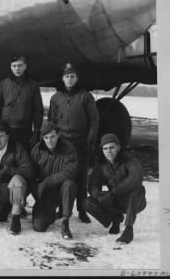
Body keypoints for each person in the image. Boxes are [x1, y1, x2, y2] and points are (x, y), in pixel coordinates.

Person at [48, 62, 99, 223]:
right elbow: (51, 121)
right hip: (62, 141)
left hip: (80, 141)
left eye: (72, 76)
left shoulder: (85, 96)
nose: (70, 79)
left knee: (81, 177)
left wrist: (90, 140)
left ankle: (82, 210)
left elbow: (94, 119)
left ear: (77, 78)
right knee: (61, 175)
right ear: (62, 79)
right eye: (67, 76)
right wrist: (53, 141)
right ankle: (61, 209)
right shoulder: (56, 98)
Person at [83, 133, 147, 244]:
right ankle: (115, 218)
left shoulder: (129, 159)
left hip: (135, 202)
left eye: (112, 147)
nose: (109, 151)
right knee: (87, 202)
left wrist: (113, 193)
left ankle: (129, 229)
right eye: (105, 148)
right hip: (116, 200)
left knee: (135, 189)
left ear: (118, 147)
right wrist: (97, 194)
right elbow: (94, 183)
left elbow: (136, 177)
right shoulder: (101, 163)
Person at [0, 120, 34, 235]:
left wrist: (9, 170)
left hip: (15, 186)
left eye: (2, 136)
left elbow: (28, 170)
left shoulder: (17, 148)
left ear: (7, 136)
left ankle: (15, 219)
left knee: (17, 181)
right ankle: (6, 206)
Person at [30, 122, 77, 239]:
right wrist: (37, 193)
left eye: (52, 137)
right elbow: (31, 174)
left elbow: (70, 171)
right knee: (38, 226)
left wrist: (47, 182)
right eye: (46, 138)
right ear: (42, 138)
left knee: (69, 184)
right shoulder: (37, 150)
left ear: (58, 135)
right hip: (46, 193)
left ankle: (65, 222)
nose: (49, 141)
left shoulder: (68, 149)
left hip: (61, 190)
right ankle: (50, 214)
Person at [0, 56, 44, 153]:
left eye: (20, 65)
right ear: (11, 67)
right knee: (8, 158)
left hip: (26, 130)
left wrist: (36, 131)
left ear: (25, 66)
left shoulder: (33, 85)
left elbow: (38, 110)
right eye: (14, 66)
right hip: (7, 130)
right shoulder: (3, 85)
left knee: (25, 157)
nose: (17, 68)